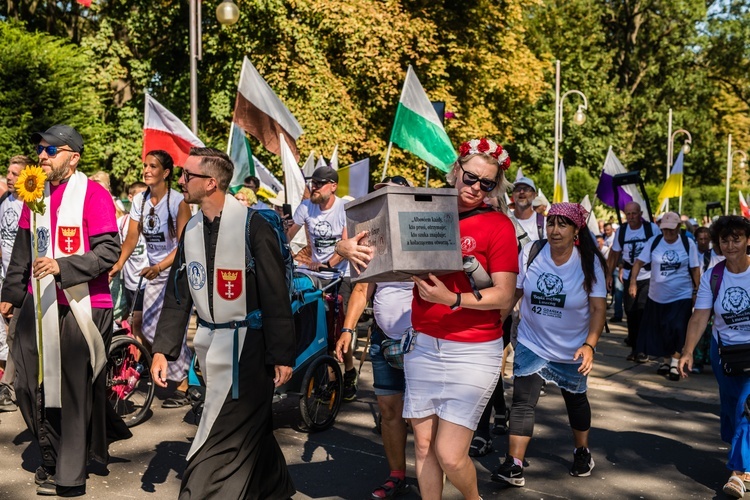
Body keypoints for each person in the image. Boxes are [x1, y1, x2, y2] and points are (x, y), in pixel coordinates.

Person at [150, 147, 296, 499]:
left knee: (219, 436)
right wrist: (162, 350)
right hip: (209, 344)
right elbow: (178, 294)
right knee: (249, 431)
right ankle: (273, 487)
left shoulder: (254, 226)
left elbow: (276, 295)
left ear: (211, 183)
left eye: (187, 175)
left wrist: (282, 354)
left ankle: (199, 492)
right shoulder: (192, 231)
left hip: (249, 348)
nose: (181, 180)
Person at [0, 125, 131, 496]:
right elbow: (22, 253)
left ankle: (66, 474)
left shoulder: (94, 194)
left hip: (84, 304)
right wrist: (10, 294)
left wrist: (63, 266)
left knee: (72, 390)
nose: (41, 155)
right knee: (25, 383)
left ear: (73, 157)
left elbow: (108, 252)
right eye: (39, 148)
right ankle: (55, 453)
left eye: (50, 149)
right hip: (37, 301)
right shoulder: (34, 194)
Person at [407, 138, 518, 500]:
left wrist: (452, 298)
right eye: (470, 178)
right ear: (456, 171)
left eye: (487, 184)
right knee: (423, 447)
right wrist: (347, 248)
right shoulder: (426, 211)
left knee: (451, 456)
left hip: (473, 350)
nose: (476, 188)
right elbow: (384, 256)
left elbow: (504, 294)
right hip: (423, 344)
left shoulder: (498, 225)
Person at [492, 202, 607, 487]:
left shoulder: (589, 262)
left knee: (575, 400)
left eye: (563, 224)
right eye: (551, 223)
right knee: (522, 402)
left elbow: (597, 310)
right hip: (533, 340)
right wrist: (495, 325)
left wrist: (590, 345)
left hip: (572, 346)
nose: (555, 230)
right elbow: (513, 293)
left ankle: (582, 451)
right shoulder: (532, 253)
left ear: (576, 230)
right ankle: (514, 464)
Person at [335, 175, 414, 499]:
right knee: (390, 412)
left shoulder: (422, 233)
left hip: (422, 340)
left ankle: (432, 478)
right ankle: (397, 475)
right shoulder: (373, 240)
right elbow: (362, 288)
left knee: (423, 418)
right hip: (383, 339)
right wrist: (348, 329)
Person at [109, 151, 192, 408]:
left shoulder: (178, 202)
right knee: (145, 328)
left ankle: (184, 384)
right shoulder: (140, 201)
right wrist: (119, 264)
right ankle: (181, 371)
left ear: (165, 173)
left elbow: (184, 245)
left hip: (176, 272)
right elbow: (131, 239)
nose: (146, 170)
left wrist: (159, 266)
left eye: (152, 166)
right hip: (153, 272)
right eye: (145, 165)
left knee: (166, 328)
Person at [678, 215, 750, 499]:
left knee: (747, 407)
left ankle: (737, 472)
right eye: (725, 240)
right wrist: (687, 351)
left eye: (737, 239)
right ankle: (743, 457)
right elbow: (699, 316)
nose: (730, 245)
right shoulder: (713, 275)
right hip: (725, 353)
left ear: (747, 240)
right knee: (733, 407)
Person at [286, 166, 357, 401]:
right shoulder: (307, 206)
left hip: (340, 274)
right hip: (316, 275)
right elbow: (288, 234)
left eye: (319, 183)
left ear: (333, 186)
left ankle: (348, 371)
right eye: (312, 183)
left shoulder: (343, 208)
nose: (313, 187)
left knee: (338, 330)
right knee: (313, 325)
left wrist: (327, 263)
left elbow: (346, 246)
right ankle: (317, 373)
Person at [629, 212, 700, 381]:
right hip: (657, 296)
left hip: (681, 295)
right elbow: (638, 263)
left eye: (671, 229)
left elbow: (695, 268)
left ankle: (675, 363)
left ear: (678, 228)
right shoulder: (654, 242)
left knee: (677, 328)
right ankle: (666, 361)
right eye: (665, 229)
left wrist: (697, 291)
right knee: (661, 330)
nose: (668, 233)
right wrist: (633, 282)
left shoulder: (687, 243)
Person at [606, 202, 659, 361]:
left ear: (640, 213)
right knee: (630, 311)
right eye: (628, 214)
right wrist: (609, 274)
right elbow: (614, 254)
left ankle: (643, 349)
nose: (631, 217)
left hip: (648, 275)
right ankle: (635, 348)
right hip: (629, 276)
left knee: (642, 310)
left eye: (634, 213)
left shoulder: (652, 229)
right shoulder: (622, 231)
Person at [0, 155, 31, 412]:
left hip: (26, 280)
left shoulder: (33, 205)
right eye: (8, 173)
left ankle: (10, 387)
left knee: (15, 334)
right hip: (6, 279)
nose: (9, 177)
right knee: (13, 335)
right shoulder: (4, 202)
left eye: (14, 173)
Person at [116, 182, 149, 328]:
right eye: (140, 197)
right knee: (134, 322)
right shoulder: (121, 223)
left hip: (149, 282)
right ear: (130, 198)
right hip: (130, 283)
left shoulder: (153, 221)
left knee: (140, 321)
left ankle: (144, 350)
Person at [692, 226, 724, 372]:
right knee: (702, 329)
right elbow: (698, 274)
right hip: (708, 298)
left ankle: (715, 360)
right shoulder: (706, 256)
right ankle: (698, 361)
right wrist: (696, 293)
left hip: (724, 300)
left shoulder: (733, 256)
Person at [602, 222, 623, 322]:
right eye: (605, 230)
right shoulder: (602, 237)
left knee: (618, 291)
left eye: (608, 230)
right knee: (611, 289)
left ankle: (618, 313)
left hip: (618, 267)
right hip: (606, 267)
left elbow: (616, 253)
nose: (606, 232)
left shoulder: (617, 236)